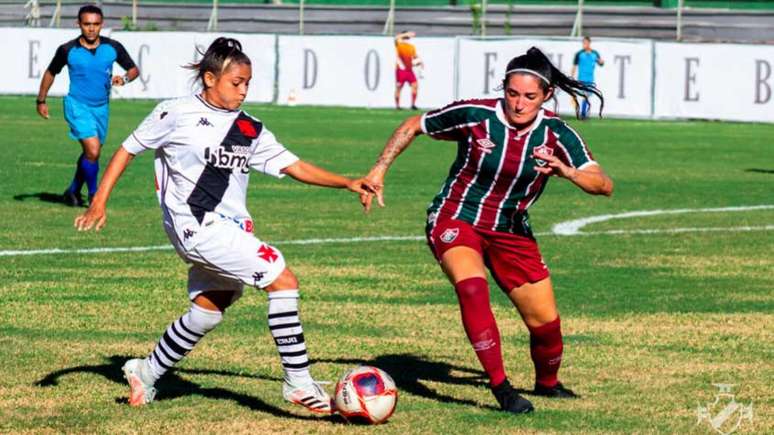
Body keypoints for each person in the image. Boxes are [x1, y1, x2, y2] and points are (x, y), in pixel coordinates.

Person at [74, 37, 375, 413]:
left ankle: (145, 372)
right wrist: (99, 200)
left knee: (209, 308)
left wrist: (346, 182)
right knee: (283, 280)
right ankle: (298, 382)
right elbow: (128, 148)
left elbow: (294, 166)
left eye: (248, 82)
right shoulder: (176, 112)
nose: (244, 90)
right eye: (237, 82)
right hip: (197, 226)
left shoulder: (249, 128)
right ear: (209, 78)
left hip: (231, 229)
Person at [362, 47, 613, 414]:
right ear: (503, 89)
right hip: (457, 217)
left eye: (529, 96)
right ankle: (502, 388)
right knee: (473, 288)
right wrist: (378, 170)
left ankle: (547, 384)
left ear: (546, 96)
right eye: (512, 93)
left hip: (512, 231)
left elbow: (603, 184)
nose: (519, 103)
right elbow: (415, 124)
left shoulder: (558, 134)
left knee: (545, 325)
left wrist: (568, 171)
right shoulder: (476, 114)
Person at [37, 4, 139, 207]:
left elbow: (134, 70)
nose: (91, 28)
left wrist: (124, 79)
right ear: (79, 24)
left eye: (96, 24)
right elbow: (51, 73)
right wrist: (41, 100)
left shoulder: (113, 47)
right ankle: (94, 195)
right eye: (87, 24)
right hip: (77, 106)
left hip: (101, 108)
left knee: (91, 154)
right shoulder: (68, 49)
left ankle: (72, 191)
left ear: (102, 24)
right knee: (93, 151)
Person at [571, 36, 604, 120]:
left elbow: (601, 63)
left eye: (586, 43)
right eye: (583, 43)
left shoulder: (594, 53)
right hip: (581, 79)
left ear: (589, 43)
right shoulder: (579, 54)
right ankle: (583, 114)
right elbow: (574, 66)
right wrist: (571, 77)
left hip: (590, 79)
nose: (584, 45)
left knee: (586, 96)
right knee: (584, 96)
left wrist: (601, 62)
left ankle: (583, 113)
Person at [394, 31, 423, 110]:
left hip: (409, 70)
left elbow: (414, 57)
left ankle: (413, 105)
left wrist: (420, 62)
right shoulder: (399, 44)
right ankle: (397, 106)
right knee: (399, 87)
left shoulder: (411, 46)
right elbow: (396, 38)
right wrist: (407, 34)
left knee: (415, 85)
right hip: (401, 69)